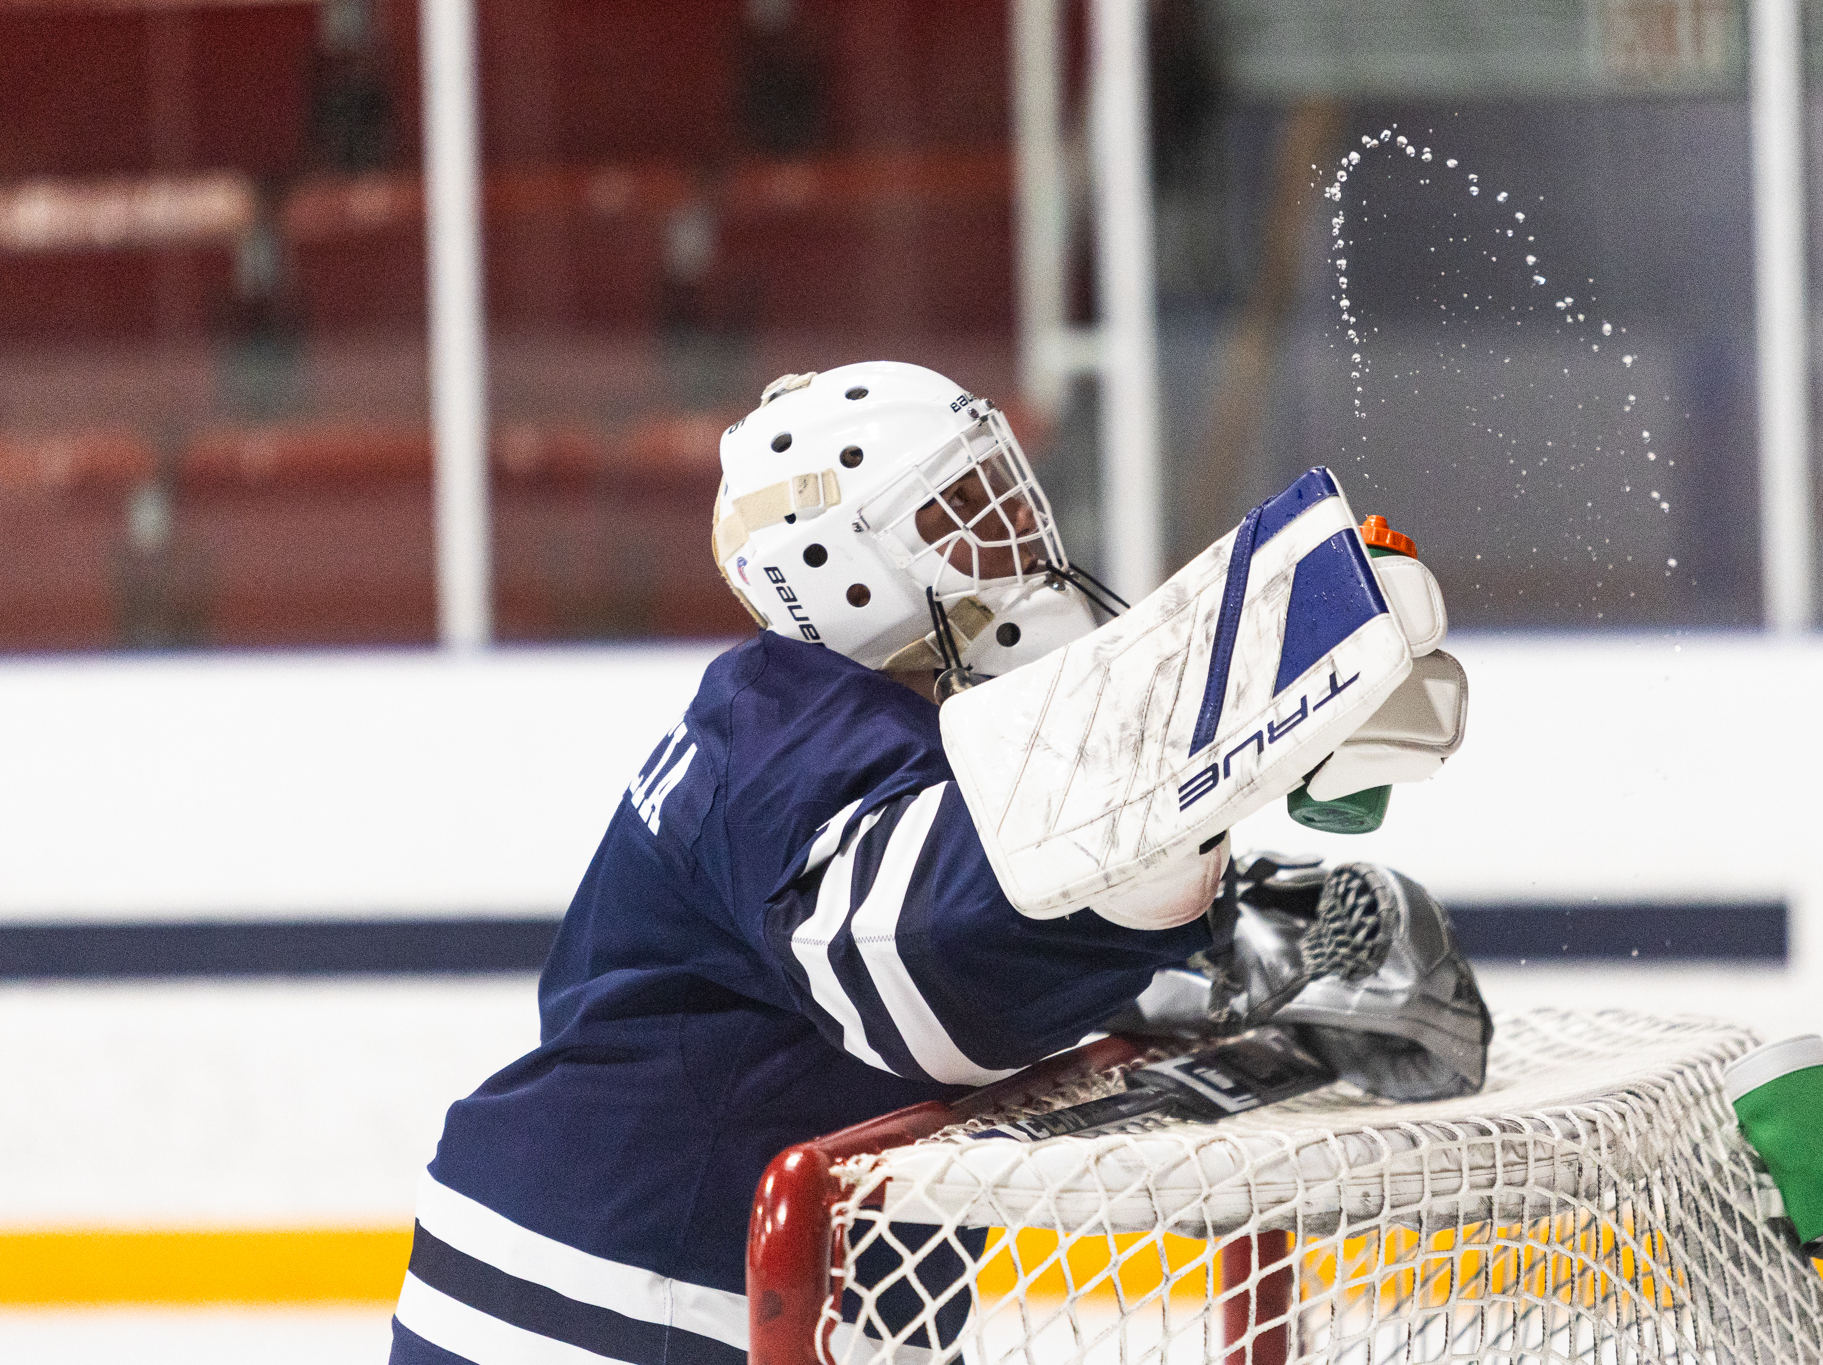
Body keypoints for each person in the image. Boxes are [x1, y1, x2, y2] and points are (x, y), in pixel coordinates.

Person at [387, 362, 1232, 1365]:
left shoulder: (891, 728)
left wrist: (1283, 902)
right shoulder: (790, 721)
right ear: (839, 559)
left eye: (1003, 490)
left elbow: (1098, 958)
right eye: (960, 506)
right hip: (620, 1283)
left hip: (757, 1281)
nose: (1015, 530)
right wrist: (1196, 789)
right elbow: (937, 972)